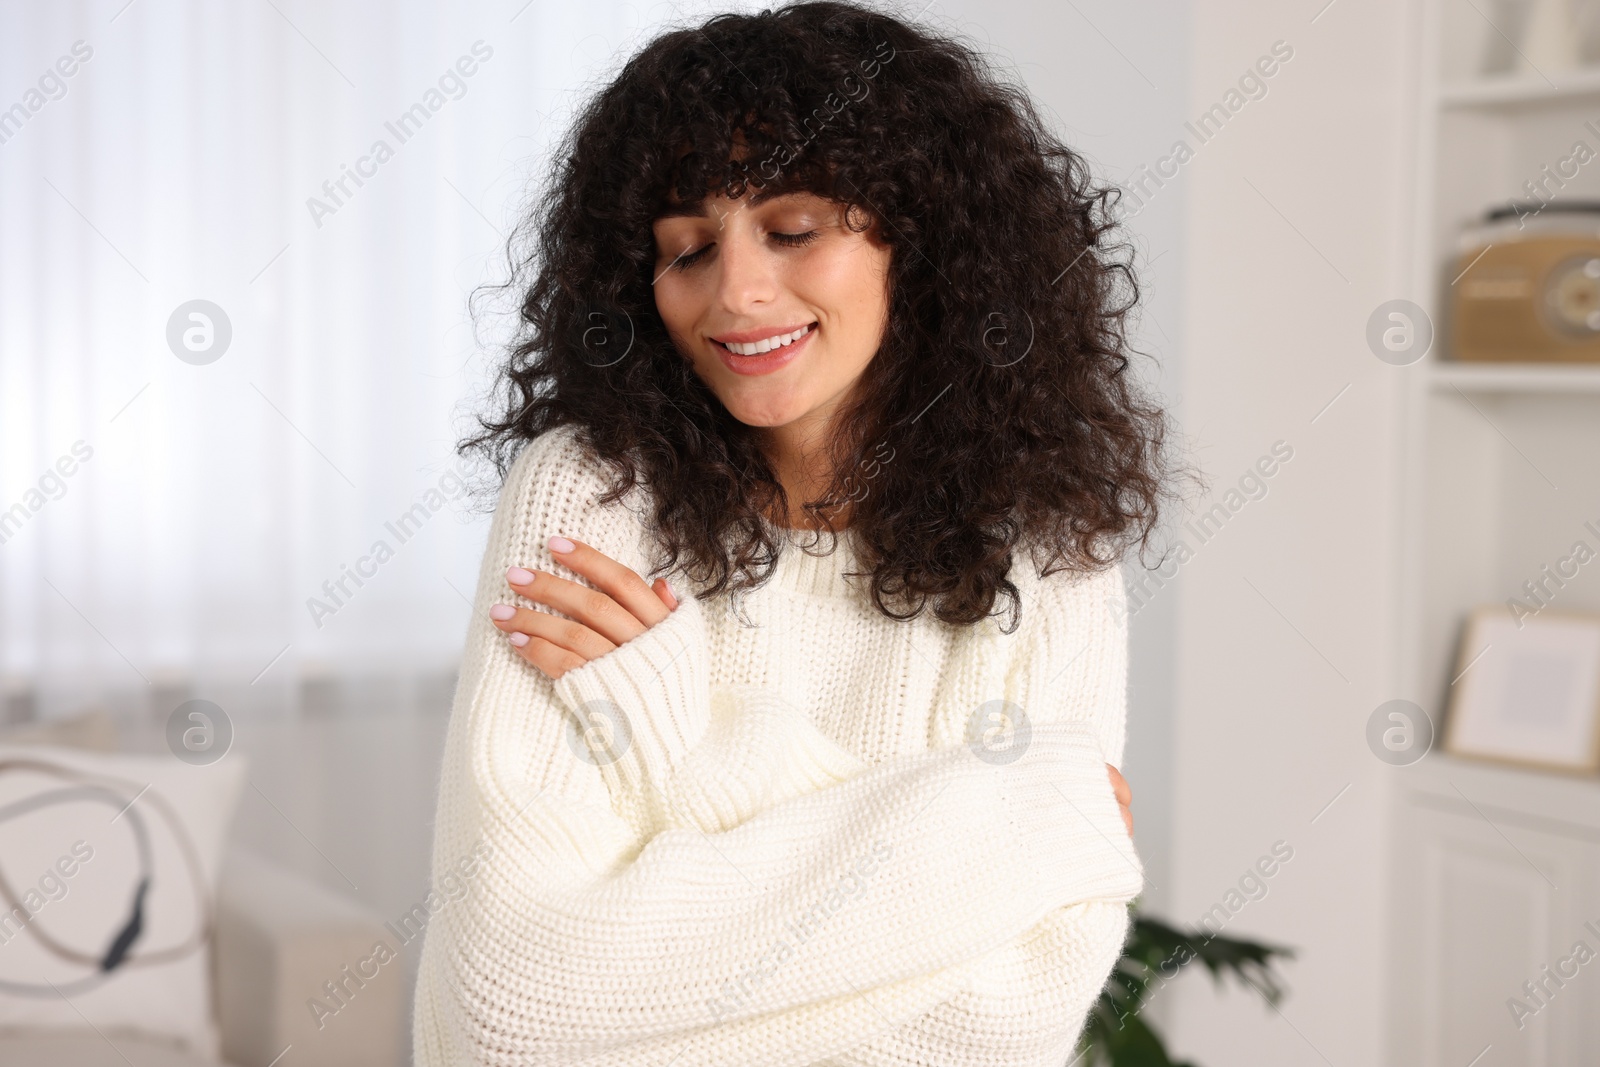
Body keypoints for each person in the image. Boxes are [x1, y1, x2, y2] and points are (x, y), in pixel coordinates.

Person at [413, 2, 1171, 1064]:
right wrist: (1009, 824)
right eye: (685, 248)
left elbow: (1006, 1023)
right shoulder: (589, 499)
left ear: (926, 236)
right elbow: (510, 1000)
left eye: (792, 229)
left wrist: (686, 735)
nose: (736, 291)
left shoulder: (1045, 547)